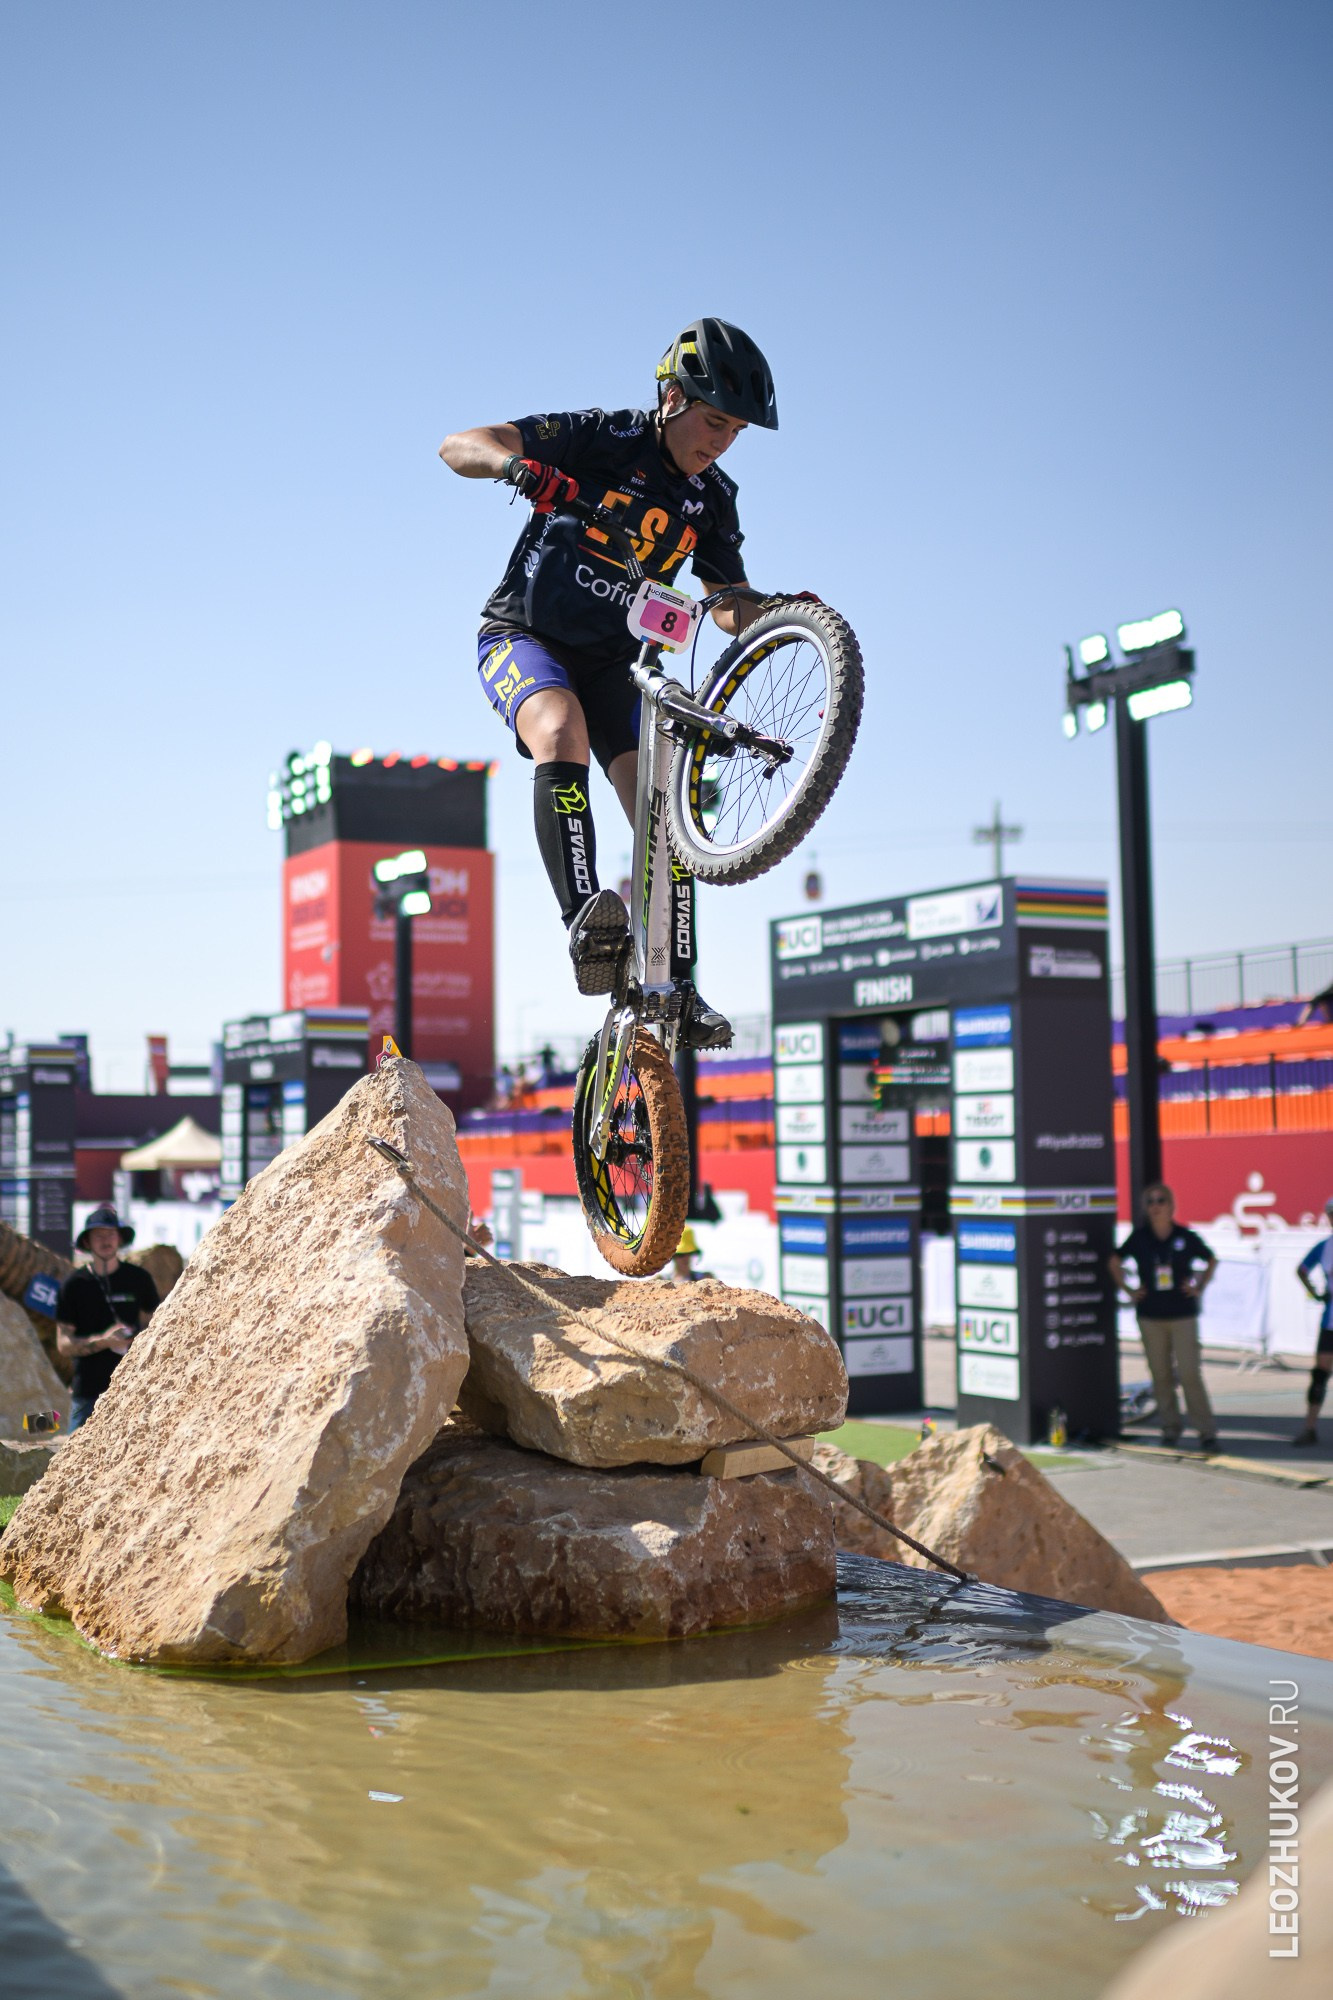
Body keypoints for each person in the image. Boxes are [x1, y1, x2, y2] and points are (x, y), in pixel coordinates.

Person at [439, 318, 785, 1049]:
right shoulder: (603, 436)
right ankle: (586, 928)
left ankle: (679, 986)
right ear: (669, 397)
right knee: (558, 732)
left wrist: (777, 610)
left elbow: (726, 604)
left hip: (615, 668)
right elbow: (459, 445)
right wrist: (516, 469)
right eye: (713, 421)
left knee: (664, 817)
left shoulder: (713, 497)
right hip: (525, 638)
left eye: (736, 431)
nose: (721, 441)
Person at [1108, 1183, 1219, 1451]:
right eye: (1150, 1202)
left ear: (1171, 1206)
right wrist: (1129, 1290)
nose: (1155, 1206)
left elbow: (1211, 1259)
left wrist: (1199, 1286)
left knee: (1190, 1373)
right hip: (1150, 1316)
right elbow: (1115, 1261)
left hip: (1182, 1315)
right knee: (1160, 1374)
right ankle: (1170, 1429)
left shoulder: (1185, 1236)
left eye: (1160, 1201)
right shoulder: (1140, 1237)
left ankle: (1206, 1432)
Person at [55, 1205, 159, 1430]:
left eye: (111, 1234)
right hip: (87, 1393)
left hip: (134, 1389)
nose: (106, 1240)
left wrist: (138, 1339)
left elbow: (160, 1324)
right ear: (87, 1242)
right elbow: (63, 1344)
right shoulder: (74, 1285)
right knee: (76, 1460)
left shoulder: (139, 1278)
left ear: (120, 1239)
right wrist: (104, 1341)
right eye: (98, 1235)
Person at [1293, 1196, 1333, 1446]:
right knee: (1320, 1374)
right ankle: (1310, 1427)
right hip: (1330, 1319)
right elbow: (1301, 1269)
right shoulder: (1325, 1246)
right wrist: (1317, 1293)